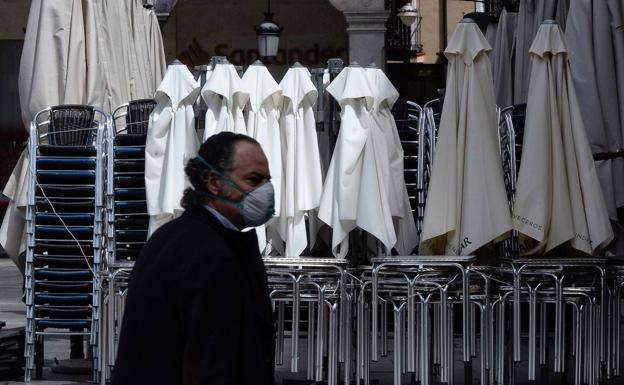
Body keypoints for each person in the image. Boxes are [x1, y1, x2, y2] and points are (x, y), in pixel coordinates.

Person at [112, 132, 275, 385]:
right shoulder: (212, 254)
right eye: (253, 180)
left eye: (267, 181)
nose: (266, 191)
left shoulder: (169, 236)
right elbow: (212, 361)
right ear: (213, 182)